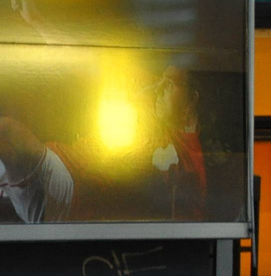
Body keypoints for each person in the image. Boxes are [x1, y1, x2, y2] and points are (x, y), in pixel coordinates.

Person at [0, 64, 207, 223]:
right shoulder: (160, 129)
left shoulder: (189, 157)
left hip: (69, 196)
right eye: (160, 81)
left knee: (8, 133)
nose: (159, 89)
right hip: (54, 171)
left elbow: (191, 223)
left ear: (192, 99)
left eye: (169, 84)